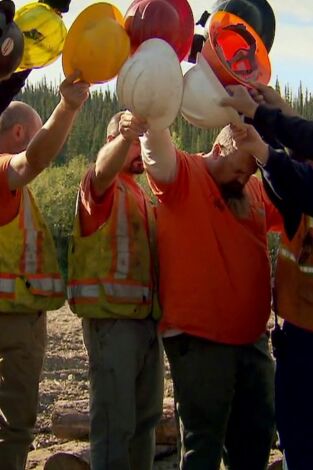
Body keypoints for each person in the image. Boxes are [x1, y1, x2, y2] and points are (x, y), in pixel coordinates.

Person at [139, 123, 281, 470]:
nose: (244, 177)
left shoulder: (252, 188)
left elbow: (295, 196)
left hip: (252, 340)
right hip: (199, 337)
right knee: (203, 444)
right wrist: (152, 113)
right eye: (239, 168)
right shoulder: (183, 173)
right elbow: (156, 152)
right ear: (220, 149)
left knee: (256, 437)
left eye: (251, 170)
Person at [0, 70, 89, 470]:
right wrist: (68, 107)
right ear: (20, 133)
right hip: (10, 322)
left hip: (18, 318)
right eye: (37, 133)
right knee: (13, 429)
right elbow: (35, 159)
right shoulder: (5, 173)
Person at [221, 84, 313, 470]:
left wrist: (263, 129)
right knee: (298, 439)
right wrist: (269, 121)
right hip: (299, 340)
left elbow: (297, 182)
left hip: (304, 344)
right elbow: (289, 180)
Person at [67, 111, 163, 470]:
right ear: (114, 141)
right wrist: (125, 137)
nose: (141, 149)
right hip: (112, 325)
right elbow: (101, 169)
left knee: (145, 422)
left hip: (145, 324)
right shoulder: (100, 186)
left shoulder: (140, 194)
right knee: (113, 425)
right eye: (135, 141)